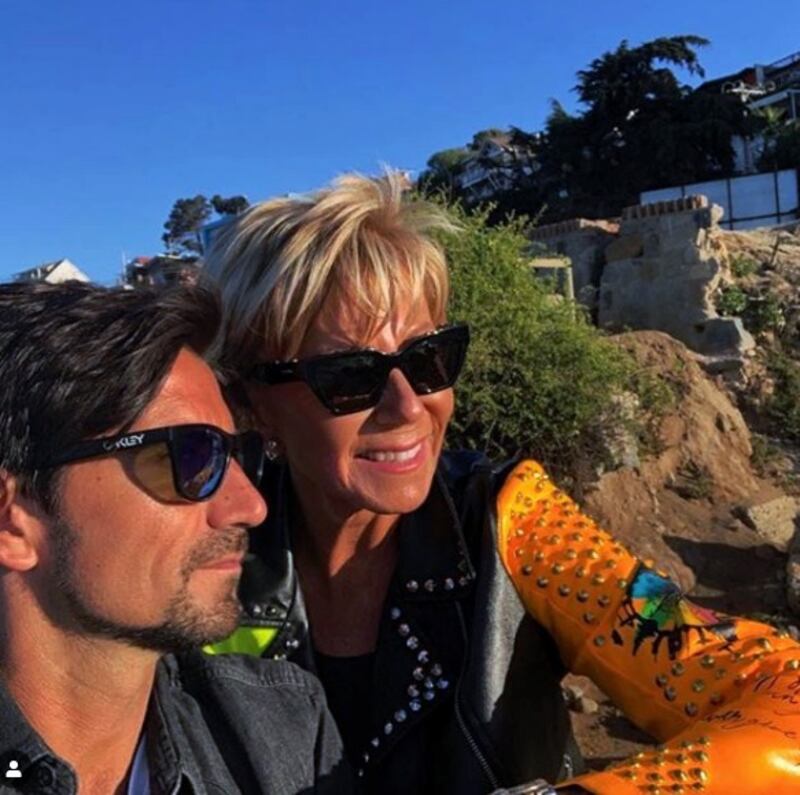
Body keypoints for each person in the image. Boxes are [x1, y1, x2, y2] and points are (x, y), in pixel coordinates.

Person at [205, 172, 800, 794]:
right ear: (252, 404)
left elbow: (782, 689)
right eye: (350, 375)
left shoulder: (516, 521)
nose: (409, 407)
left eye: (429, 358)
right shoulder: (204, 553)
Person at [0, 282, 351, 795]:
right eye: (189, 457)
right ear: (12, 520)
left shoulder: (286, 734)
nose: (251, 506)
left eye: (236, 454)